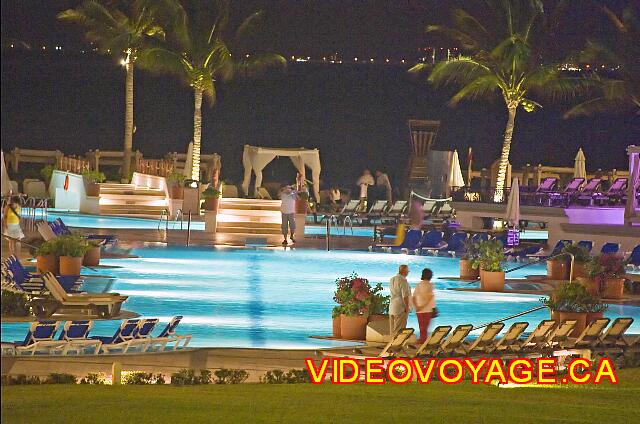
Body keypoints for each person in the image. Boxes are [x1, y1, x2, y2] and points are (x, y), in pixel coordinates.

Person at [412, 268, 436, 344]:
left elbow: (413, 297)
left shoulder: (418, 285)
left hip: (419, 309)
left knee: (422, 328)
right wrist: (422, 306)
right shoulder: (430, 285)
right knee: (425, 328)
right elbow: (430, 298)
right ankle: (423, 342)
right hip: (427, 309)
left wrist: (416, 307)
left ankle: (422, 341)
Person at [389, 264, 411, 337]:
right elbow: (405, 296)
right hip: (400, 308)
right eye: (408, 271)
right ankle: (396, 346)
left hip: (392, 307)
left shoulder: (392, 279)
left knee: (392, 330)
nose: (408, 272)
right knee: (399, 330)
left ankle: (391, 345)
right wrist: (407, 307)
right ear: (405, 271)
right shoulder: (403, 280)